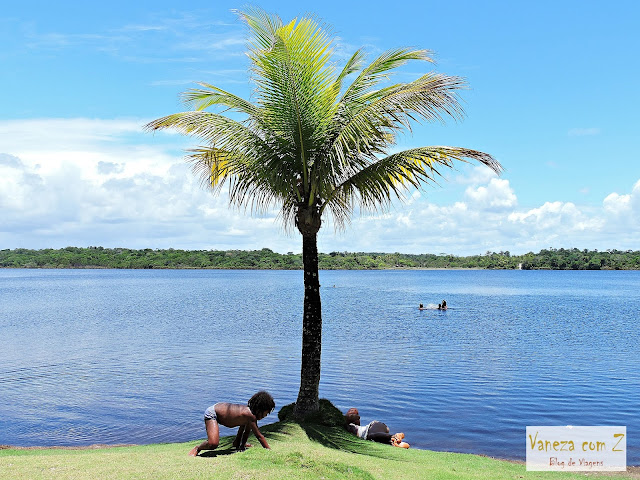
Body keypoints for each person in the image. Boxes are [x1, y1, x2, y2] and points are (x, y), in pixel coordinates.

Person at [188, 391, 275, 456]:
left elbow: (245, 432)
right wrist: (268, 450)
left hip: (222, 411)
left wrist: (241, 446)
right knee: (213, 444)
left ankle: (237, 443)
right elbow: (259, 436)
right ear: (260, 409)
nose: (265, 416)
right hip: (213, 413)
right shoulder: (250, 415)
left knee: (244, 426)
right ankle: (197, 448)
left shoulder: (249, 416)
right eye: (266, 413)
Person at [344, 408, 409, 448]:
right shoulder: (347, 427)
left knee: (371, 435)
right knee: (388, 442)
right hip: (377, 432)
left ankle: (394, 436)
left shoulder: (346, 424)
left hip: (374, 426)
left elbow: (354, 414)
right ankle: (397, 438)